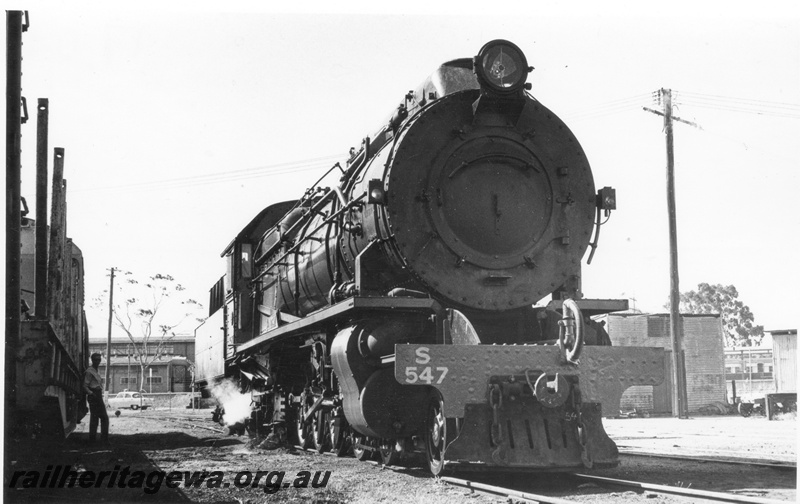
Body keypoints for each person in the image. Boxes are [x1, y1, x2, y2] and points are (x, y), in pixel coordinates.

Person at [84, 353, 109, 443]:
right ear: (92, 360)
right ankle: (96, 440)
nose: (97, 361)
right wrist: (91, 393)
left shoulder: (95, 370)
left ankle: (100, 439)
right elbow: (85, 385)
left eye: (99, 360)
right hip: (93, 395)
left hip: (98, 395)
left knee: (101, 418)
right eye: (95, 360)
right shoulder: (89, 371)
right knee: (99, 418)